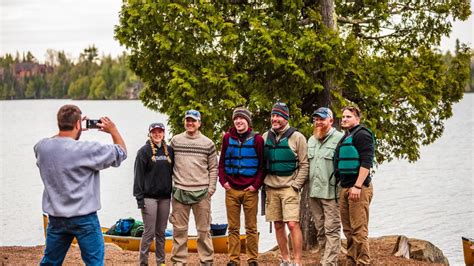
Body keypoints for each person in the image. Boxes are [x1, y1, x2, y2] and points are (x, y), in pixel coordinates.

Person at [34, 104, 127, 265]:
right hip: (85, 218)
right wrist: (113, 130)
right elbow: (121, 152)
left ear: (59, 123)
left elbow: (54, 142)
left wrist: (72, 131)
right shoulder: (87, 150)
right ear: (78, 124)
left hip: (56, 218)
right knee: (94, 262)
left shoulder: (42, 147)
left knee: (50, 262)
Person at [169, 109, 218, 265]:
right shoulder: (175, 141)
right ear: (184, 122)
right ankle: (178, 261)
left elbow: (213, 168)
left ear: (199, 123)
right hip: (180, 192)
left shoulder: (208, 143)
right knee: (179, 231)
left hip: (202, 193)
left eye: (193, 121)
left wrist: (210, 190)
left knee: (203, 231)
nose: (190, 123)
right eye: (188, 120)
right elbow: (168, 165)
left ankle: (206, 261)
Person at [262, 102, 309, 266]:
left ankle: (297, 261)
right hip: (271, 187)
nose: (274, 119)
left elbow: (304, 164)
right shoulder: (265, 136)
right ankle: (285, 259)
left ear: (285, 117)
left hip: (289, 187)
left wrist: (296, 185)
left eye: (278, 116)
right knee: (278, 225)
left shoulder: (297, 137)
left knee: (292, 224)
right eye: (273, 115)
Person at [218, 107, 264, 266]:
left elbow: (262, 166)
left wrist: (255, 185)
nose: (238, 121)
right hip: (231, 189)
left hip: (250, 190)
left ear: (247, 121)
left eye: (241, 118)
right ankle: (234, 260)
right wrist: (224, 182)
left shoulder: (257, 139)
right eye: (236, 118)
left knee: (251, 227)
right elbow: (221, 163)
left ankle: (252, 259)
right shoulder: (226, 138)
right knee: (233, 227)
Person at [334, 106, 375, 265]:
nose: (344, 119)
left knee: (359, 230)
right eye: (343, 117)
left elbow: (366, 162)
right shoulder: (346, 136)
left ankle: (363, 262)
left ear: (357, 119)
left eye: (348, 117)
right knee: (348, 230)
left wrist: (357, 186)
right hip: (345, 187)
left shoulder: (362, 135)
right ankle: (351, 261)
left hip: (359, 188)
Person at [133, 122, 174, 266]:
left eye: (160, 132)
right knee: (149, 233)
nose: (157, 134)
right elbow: (138, 177)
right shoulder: (143, 152)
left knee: (161, 233)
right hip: (148, 198)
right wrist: (139, 199)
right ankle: (143, 262)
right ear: (150, 133)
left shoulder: (169, 151)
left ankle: (160, 262)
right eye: (154, 132)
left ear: (164, 133)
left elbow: (173, 173)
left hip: (165, 198)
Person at [307, 107, 344, 266]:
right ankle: (325, 258)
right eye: (316, 119)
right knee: (320, 230)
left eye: (322, 119)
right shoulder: (311, 140)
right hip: (314, 193)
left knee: (332, 229)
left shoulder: (340, 139)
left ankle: (330, 263)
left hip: (332, 193)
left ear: (330, 120)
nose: (318, 122)